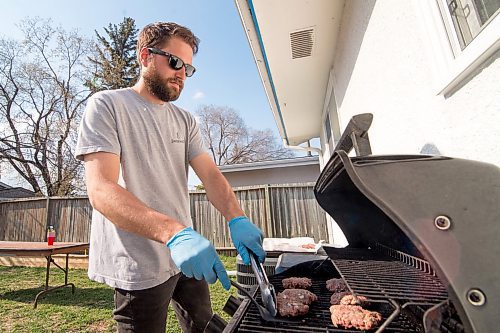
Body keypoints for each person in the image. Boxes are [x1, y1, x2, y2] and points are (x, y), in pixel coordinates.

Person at [75, 22, 265, 333]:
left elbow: (211, 174)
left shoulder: (185, 120)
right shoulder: (108, 105)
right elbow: (100, 189)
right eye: (175, 62)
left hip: (186, 257)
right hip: (138, 261)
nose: (181, 74)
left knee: (205, 326)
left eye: (188, 68)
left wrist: (237, 218)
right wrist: (174, 233)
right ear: (145, 56)